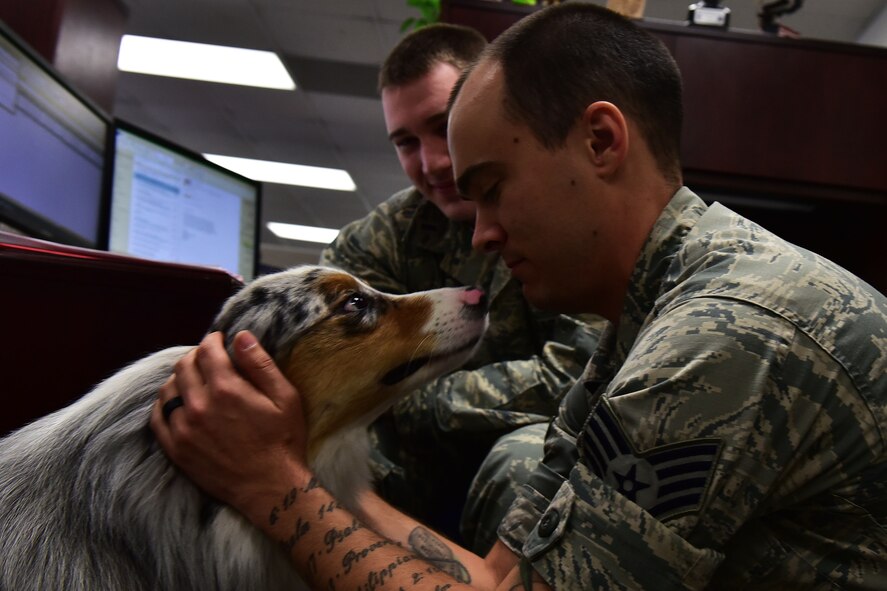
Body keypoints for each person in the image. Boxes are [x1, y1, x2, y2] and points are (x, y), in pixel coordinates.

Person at [152, 3, 887, 590]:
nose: (481, 236)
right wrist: (309, 477)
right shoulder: (634, 325)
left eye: (492, 190)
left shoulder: (718, 336)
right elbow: (502, 573)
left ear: (601, 142)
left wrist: (275, 485)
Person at [318, 23, 602, 550]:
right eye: (406, 142)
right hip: (418, 466)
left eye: (441, 126)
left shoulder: (565, 215)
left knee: (525, 462)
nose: (432, 162)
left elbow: (578, 376)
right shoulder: (379, 241)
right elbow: (339, 377)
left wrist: (409, 396)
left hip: (538, 451)